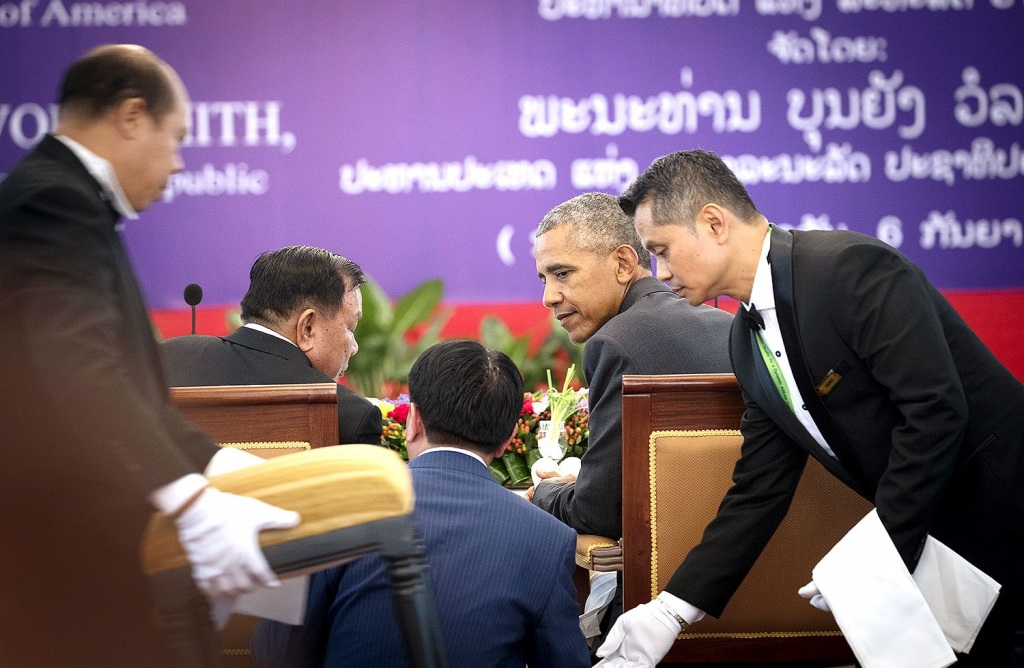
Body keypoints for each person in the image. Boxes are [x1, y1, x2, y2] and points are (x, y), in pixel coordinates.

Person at [596, 149, 1024, 667]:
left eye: (661, 250)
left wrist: (875, 558)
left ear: (713, 222)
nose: (659, 273)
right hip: (947, 563)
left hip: (1005, 517)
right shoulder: (743, 341)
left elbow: (935, 413)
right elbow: (760, 489)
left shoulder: (852, 270)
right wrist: (671, 609)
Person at [0, 45, 300, 668]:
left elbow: (128, 395)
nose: (180, 163)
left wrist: (223, 468)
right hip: (65, 557)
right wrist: (191, 500)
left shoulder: (64, 198)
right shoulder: (53, 202)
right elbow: (80, 374)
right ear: (132, 116)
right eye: (177, 138)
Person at [251, 340, 591, 668]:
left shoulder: (339, 512)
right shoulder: (547, 539)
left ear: (413, 421)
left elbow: (275, 651)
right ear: (506, 441)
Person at [529, 192, 732, 540]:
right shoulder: (727, 326)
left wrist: (545, 493)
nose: (549, 297)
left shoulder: (614, 343)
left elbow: (598, 513)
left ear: (624, 263)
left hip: (660, 579)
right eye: (544, 279)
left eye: (562, 273)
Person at [162, 245, 383, 446]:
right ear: (307, 328)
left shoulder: (164, 360)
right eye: (350, 328)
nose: (354, 347)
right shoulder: (348, 417)